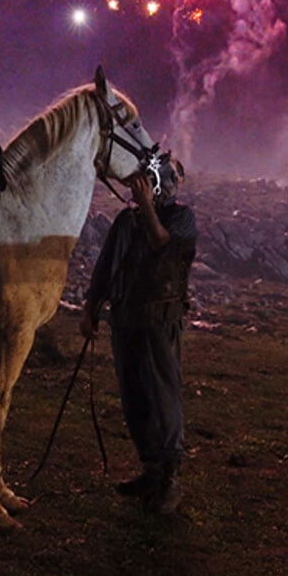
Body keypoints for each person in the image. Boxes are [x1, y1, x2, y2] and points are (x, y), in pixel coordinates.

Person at [81, 156, 196, 514]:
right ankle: (150, 469)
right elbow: (107, 264)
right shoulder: (126, 220)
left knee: (162, 396)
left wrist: (147, 207)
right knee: (134, 397)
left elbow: (164, 244)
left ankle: (169, 479)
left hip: (159, 321)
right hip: (126, 318)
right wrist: (91, 306)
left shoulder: (181, 218)